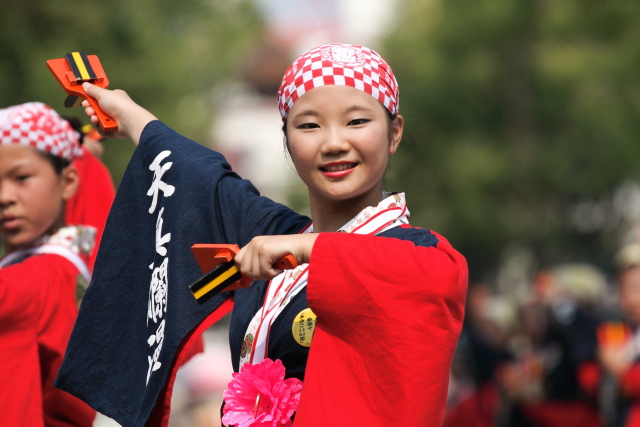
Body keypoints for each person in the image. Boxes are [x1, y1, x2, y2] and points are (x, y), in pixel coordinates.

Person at [55, 43, 468, 427]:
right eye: (309, 126)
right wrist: (126, 112)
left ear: (394, 132)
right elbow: (201, 178)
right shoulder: (274, 238)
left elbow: (433, 276)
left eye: (357, 121)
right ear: (287, 142)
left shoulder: (417, 253)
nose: (334, 142)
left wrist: (308, 248)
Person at [0, 102, 95, 426]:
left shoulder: (44, 274)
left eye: (21, 177)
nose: (4, 196)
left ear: (67, 181)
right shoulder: (68, 266)